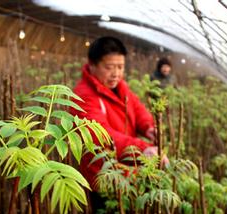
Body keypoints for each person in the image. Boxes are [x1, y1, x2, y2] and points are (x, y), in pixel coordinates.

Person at [69, 36, 167, 191]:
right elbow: (102, 137)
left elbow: (136, 107)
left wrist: (149, 127)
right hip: (103, 177)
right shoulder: (83, 96)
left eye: (120, 67)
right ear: (92, 65)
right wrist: (143, 149)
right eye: (109, 67)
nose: (116, 73)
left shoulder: (120, 86)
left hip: (125, 171)